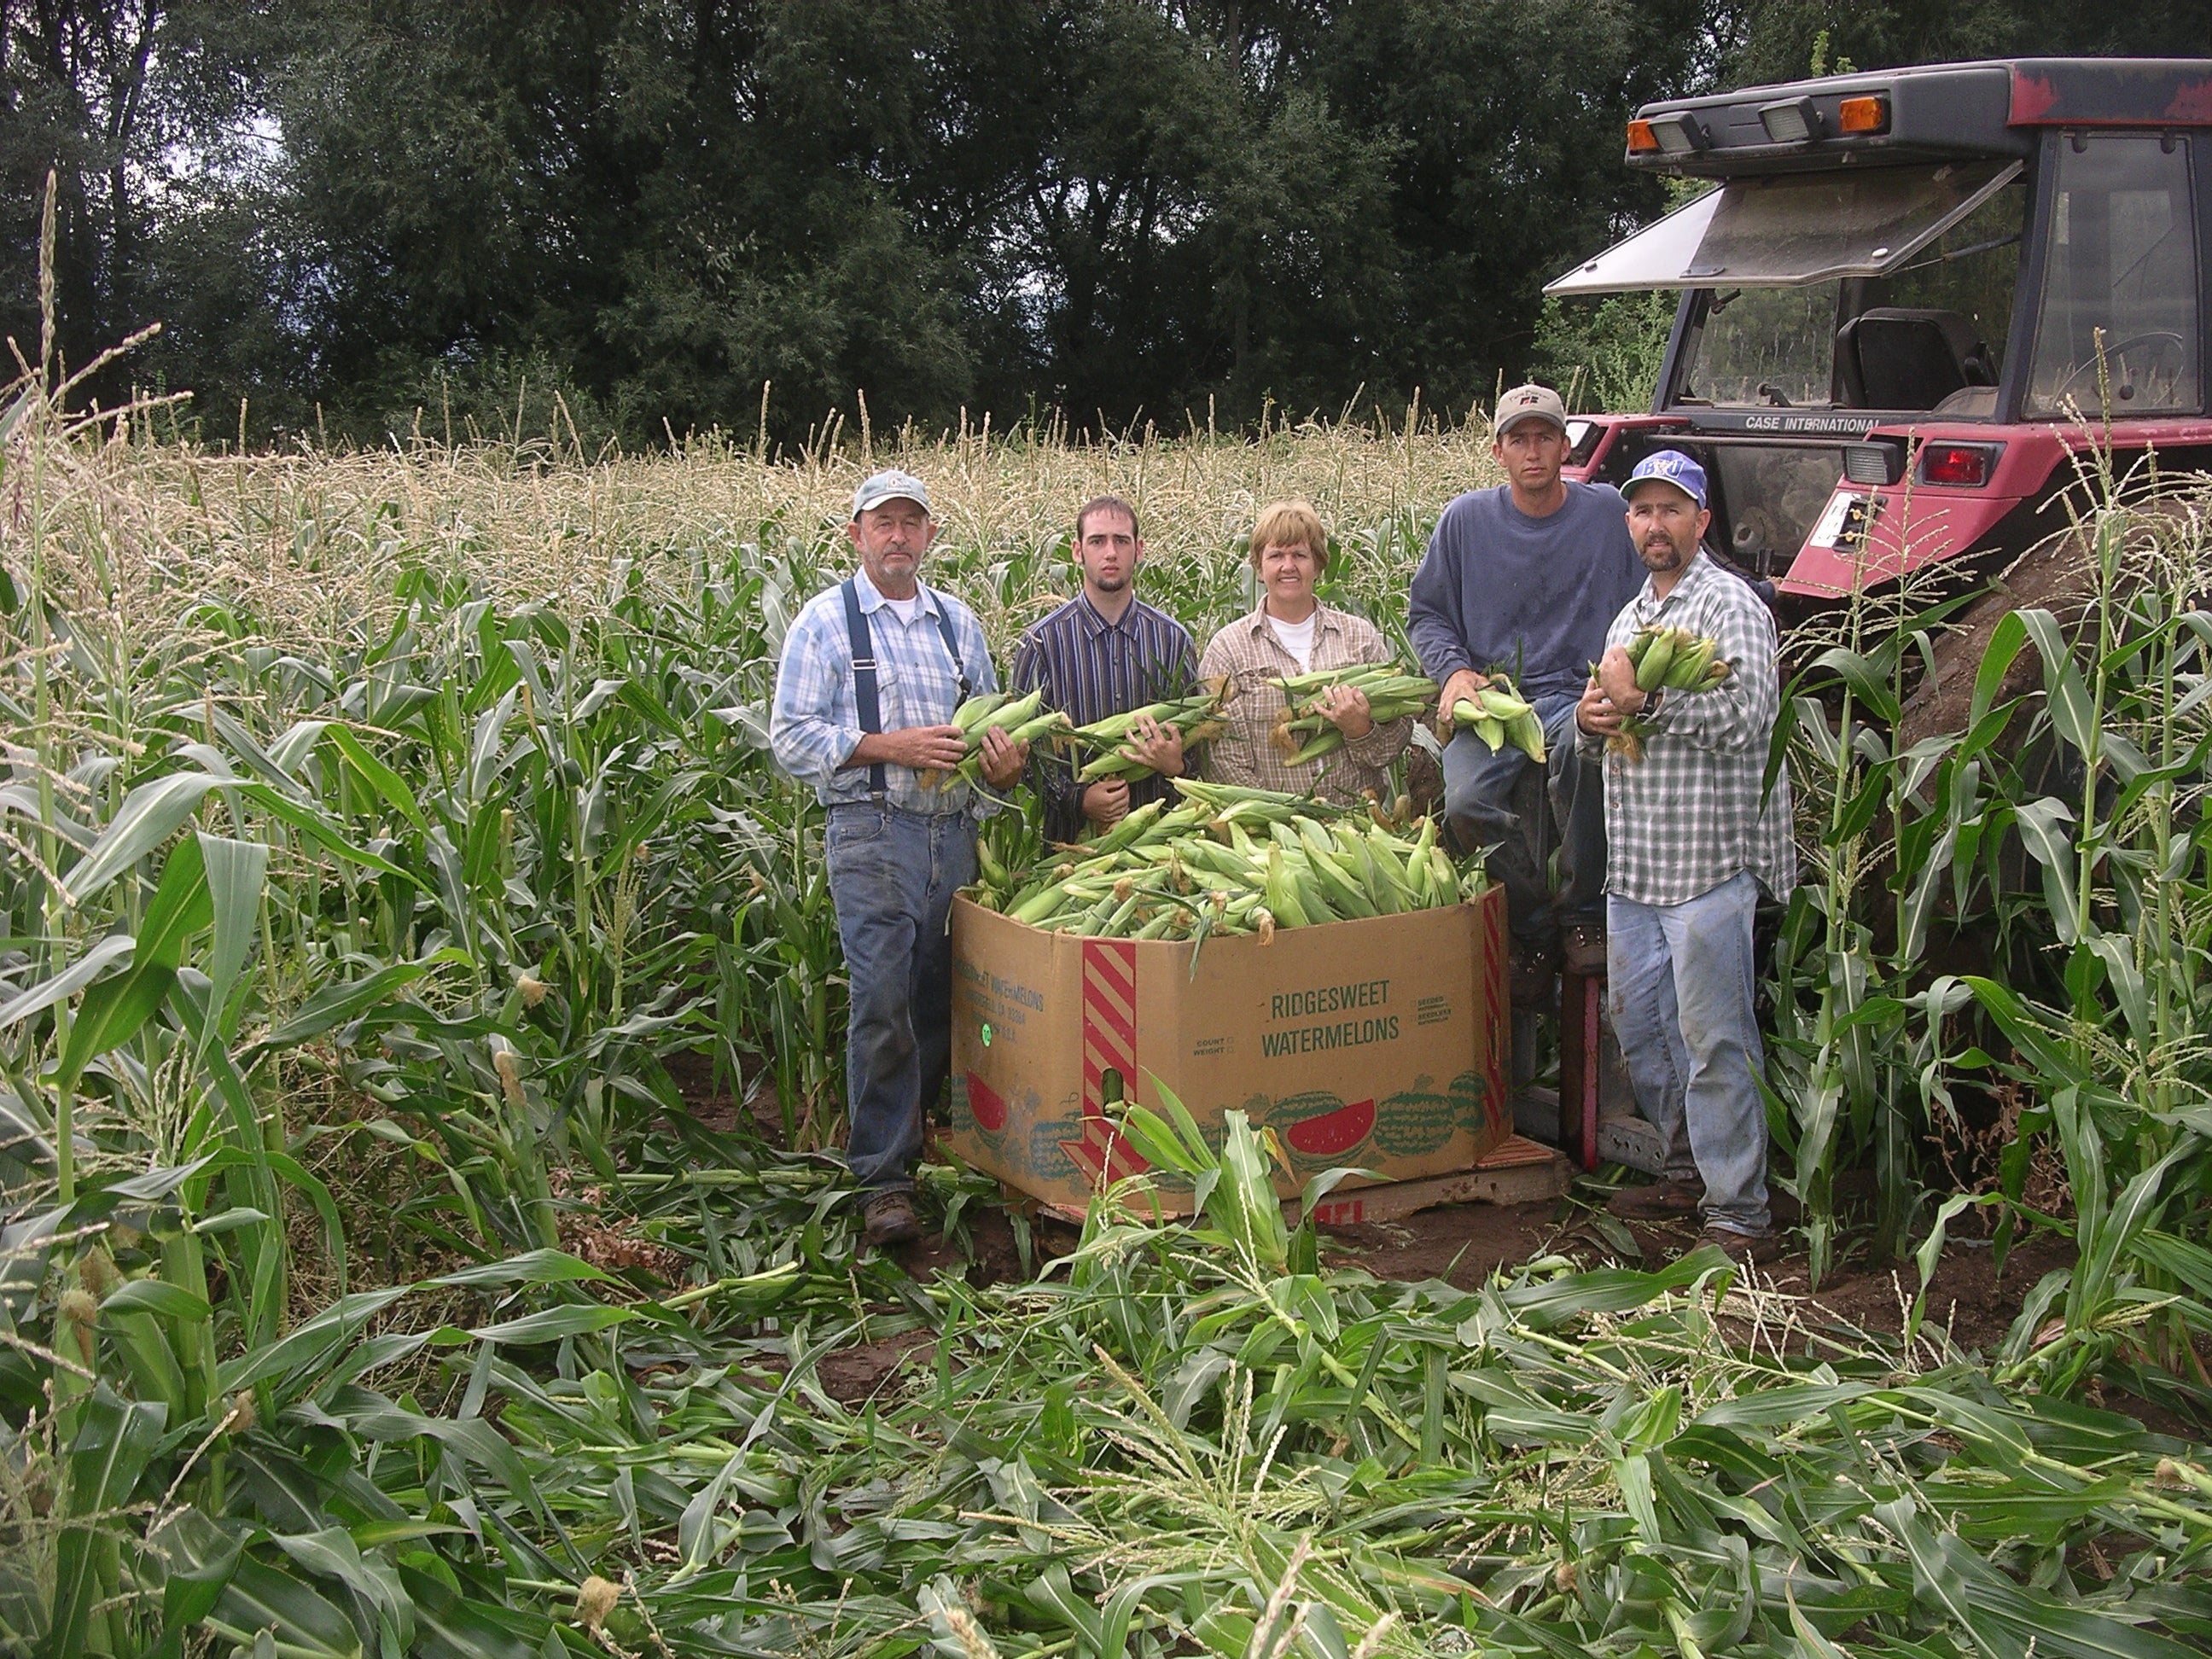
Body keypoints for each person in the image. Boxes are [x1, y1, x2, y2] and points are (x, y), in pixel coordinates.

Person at [768, 469, 1027, 1248]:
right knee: (881, 1000)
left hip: (952, 835)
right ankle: (882, 1178)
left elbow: (988, 734)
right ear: (856, 534)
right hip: (873, 831)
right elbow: (789, 737)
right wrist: (888, 746)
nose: (898, 537)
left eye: (912, 523)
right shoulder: (824, 623)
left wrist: (1002, 767)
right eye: (883, 523)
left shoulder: (959, 624)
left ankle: (932, 1142)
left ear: (930, 537)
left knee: (941, 998)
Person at [1575, 451, 1796, 1266]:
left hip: (1707, 862)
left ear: (1702, 522)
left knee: (1714, 1038)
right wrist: (1591, 724)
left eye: (1673, 510)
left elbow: (1749, 721)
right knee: (1640, 1028)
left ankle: (1740, 1212)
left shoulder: (1730, 605)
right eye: (1642, 511)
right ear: (1628, 523)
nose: (1655, 524)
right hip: (1636, 866)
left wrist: (1652, 704)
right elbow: (1607, 724)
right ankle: (1682, 1168)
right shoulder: (1629, 617)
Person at [1407, 383, 1644, 991]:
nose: (1533, 451)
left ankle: (1585, 916)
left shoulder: (1605, 514)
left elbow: (1666, 574)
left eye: (1545, 438)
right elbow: (1428, 615)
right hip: (1496, 701)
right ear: (1498, 452)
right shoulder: (1466, 521)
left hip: (1578, 692)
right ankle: (1535, 924)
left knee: (1587, 753)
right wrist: (1454, 672)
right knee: (1465, 802)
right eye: (1520, 439)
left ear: (1567, 446)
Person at [1011, 495, 1200, 841]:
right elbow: (1024, 753)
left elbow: (1199, 745)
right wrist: (1077, 798)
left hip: (1161, 845)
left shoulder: (1173, 640)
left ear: (1139, 549)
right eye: (1097, 541)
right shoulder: (1041, 643)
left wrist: (1178, 766)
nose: (1110, 552)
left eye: (1121, 541)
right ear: (1077, 551)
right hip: (1070, 851)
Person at [1201, 498, 1412, 801]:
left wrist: (1359, 730)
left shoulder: (1359, 637)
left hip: (1359, 822)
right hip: (1271, 835)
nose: (1288, 566)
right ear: (1259, 568)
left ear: (1318, 564)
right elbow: (1222, 760)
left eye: (1299, 555)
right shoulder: (1228, 649)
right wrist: (1284, 817)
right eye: (1276, 556)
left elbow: (1394, 745)